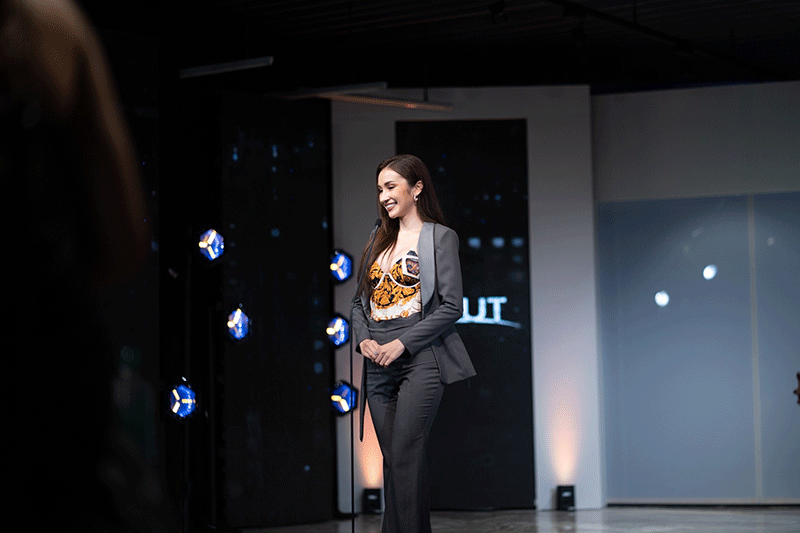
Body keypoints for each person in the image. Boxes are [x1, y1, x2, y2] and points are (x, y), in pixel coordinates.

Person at [352, 154, 476, 533]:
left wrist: (402, 344)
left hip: (420, 357)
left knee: (405, 453)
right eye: (380, 189)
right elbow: (358, 303)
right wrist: (363, 340)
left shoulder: (440, 237)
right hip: (377, 363)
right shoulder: (377, 238)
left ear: (417, 188)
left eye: (391, 187)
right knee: (397, 461)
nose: (384, 196)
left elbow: (452, 306)